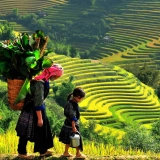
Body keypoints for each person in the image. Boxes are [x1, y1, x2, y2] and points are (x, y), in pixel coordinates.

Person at [15, 64, 63, 159]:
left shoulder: (45, 79)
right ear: (53, 73)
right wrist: (40, 118)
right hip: (32, 109)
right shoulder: (39, 83)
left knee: (43, 130)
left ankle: (43, 151)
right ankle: (22, 153)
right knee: (25, 131)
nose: (57, 78)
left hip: (39, 108)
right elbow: (37, 101)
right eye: (57, 76)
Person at [59, 87, 86, 159]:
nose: (81, 100)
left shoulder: (70, 102)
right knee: (77, 138)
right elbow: (72, 116)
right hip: (72, 125)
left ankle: (66, 152)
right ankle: (78, 153)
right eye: (81, 98)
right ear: (78, 97)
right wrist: (74, 127)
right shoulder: (72, 104)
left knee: (68, 139)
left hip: (67, 124)